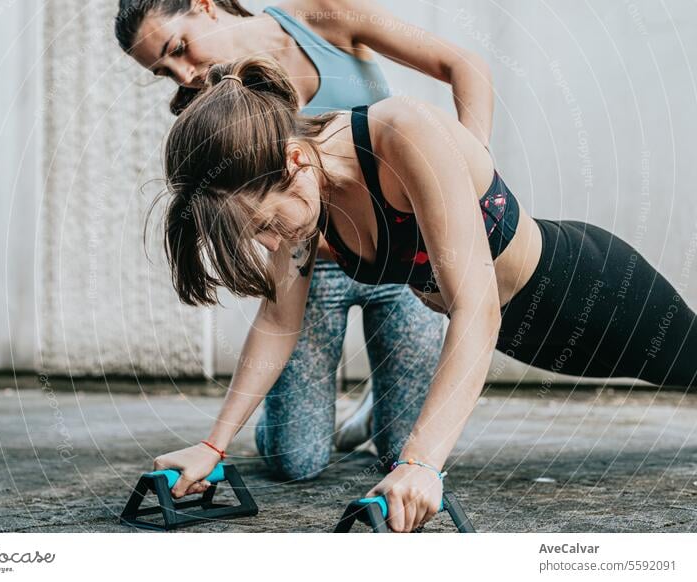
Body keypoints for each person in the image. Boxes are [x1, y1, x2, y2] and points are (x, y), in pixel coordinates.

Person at [149, 57, 697, 532]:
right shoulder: (302, 202)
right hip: (525, 338)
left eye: (267, 224)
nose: (271, 242)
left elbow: (475, 308)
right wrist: (213, 446)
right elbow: (277, 321)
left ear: (294, 161)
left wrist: (421, 463)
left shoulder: (401, 134)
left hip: (587, 293)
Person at [115, 0, 495, 478]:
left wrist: (471, 174)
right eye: (164, 72)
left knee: (400, 453)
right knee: (296, 461)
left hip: (402, 260)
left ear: (204, 6)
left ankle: (381, 409)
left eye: (178, 49)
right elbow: (274, 299)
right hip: (312, 274)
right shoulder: (213, 110)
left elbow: (464, 65)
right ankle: (290, 420)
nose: (184, 74)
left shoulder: (322, 14)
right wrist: (215, 444)